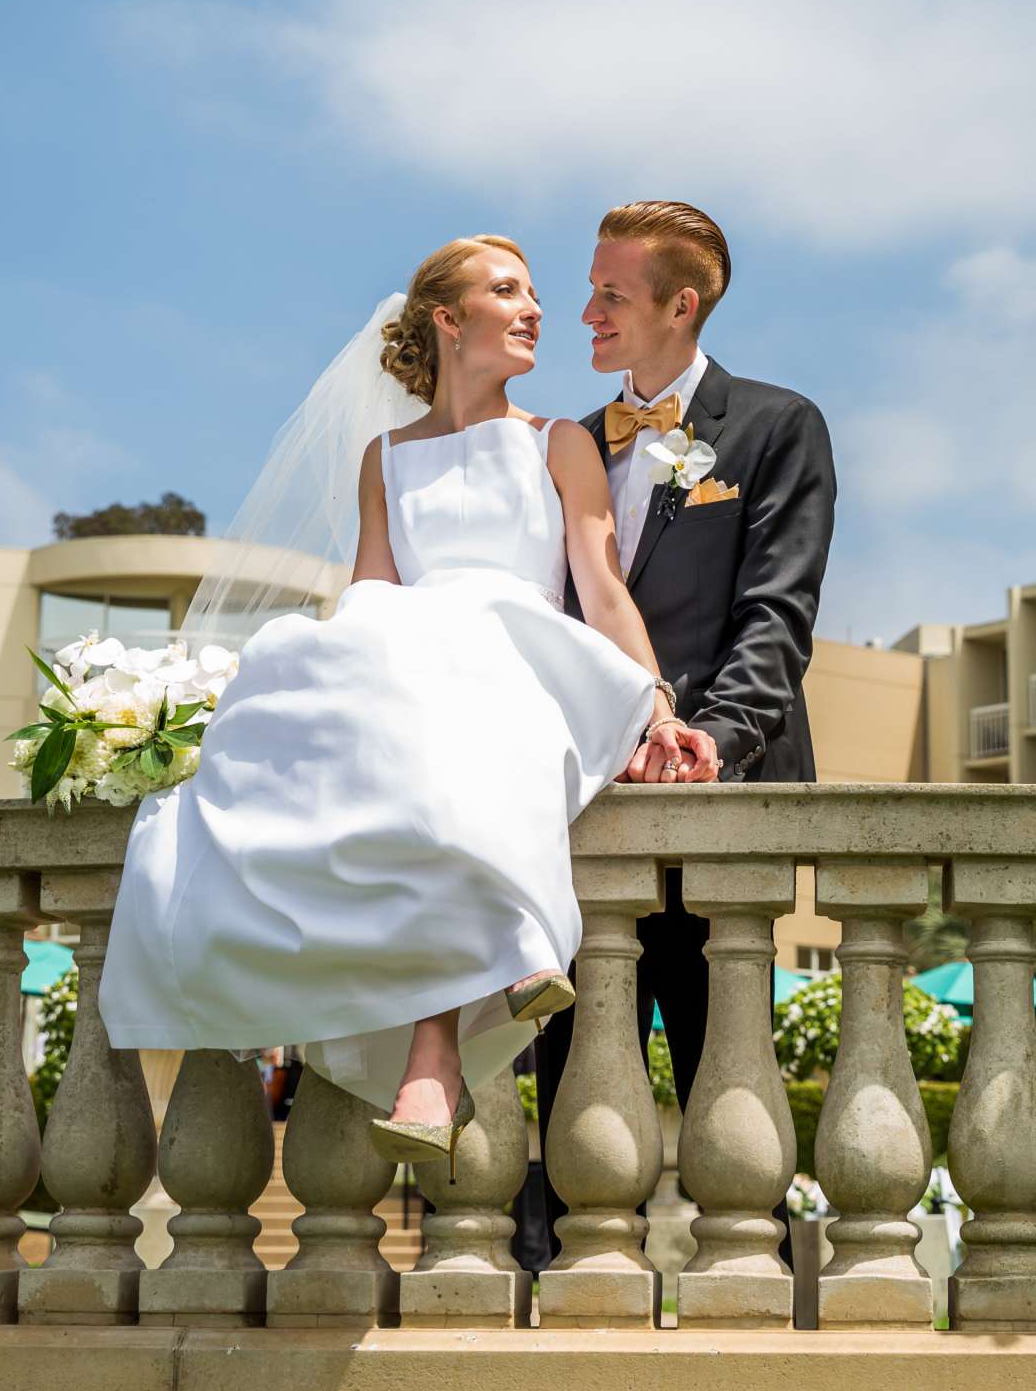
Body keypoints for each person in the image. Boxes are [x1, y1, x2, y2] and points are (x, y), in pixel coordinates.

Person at [99, 236, 715, 1175]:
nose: (535, 309)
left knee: (463, 701)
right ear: (446, 317)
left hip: (524, 659)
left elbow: (599, 582)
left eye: (535, 293)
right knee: (386, 716)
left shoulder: (560, 441)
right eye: (507, 291)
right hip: (426, 668)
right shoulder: (383, 457)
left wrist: (658, 704)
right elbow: (371, 594)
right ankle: (450, 1029)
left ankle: (485, 980)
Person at [537, 201, 835, 1238]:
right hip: (583, 817)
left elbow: (776, 615)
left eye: (610, 295)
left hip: (722, 815)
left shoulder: (777, 425)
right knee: (565, 1096)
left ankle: (769, 1316)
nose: (584, 312)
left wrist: (715, 737)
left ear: (682, 304)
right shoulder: (564, 443)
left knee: (731, 1093)